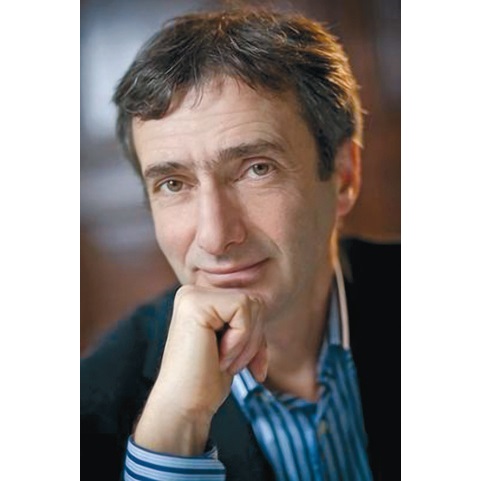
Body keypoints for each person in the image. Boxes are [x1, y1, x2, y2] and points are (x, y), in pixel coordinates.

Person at [81, 6, 399, 481]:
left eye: (257, 169)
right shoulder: (86, 416)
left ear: (344, 176)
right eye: (173, 184)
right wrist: (174, 435)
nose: (215, 237)